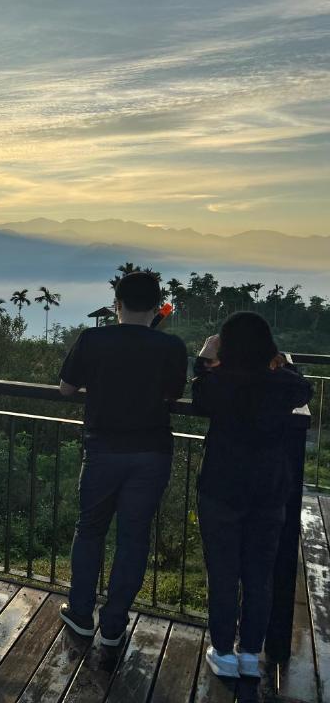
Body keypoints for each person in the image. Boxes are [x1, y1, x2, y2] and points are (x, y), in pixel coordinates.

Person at [57, 271, 188, 646]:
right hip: (151, 453)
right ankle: (114, 625)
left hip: (102, 451)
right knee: (133, 537)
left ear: (117, 304)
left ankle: (81, 614)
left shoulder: (93, 339)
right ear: (156, 304)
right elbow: (172, 395)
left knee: (90, 530)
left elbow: (66, 388)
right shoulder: (170, 346)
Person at [193, 312, 312, 679]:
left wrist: (204, 356)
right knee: (259, 575)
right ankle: (250, 654)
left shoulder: (218, 383)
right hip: (269, 490)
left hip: (221, 488)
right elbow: (301, 385)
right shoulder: (281, 385)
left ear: (226, 347)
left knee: (224, 572)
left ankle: (224, 651)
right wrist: (279, 359)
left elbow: (198, 394)